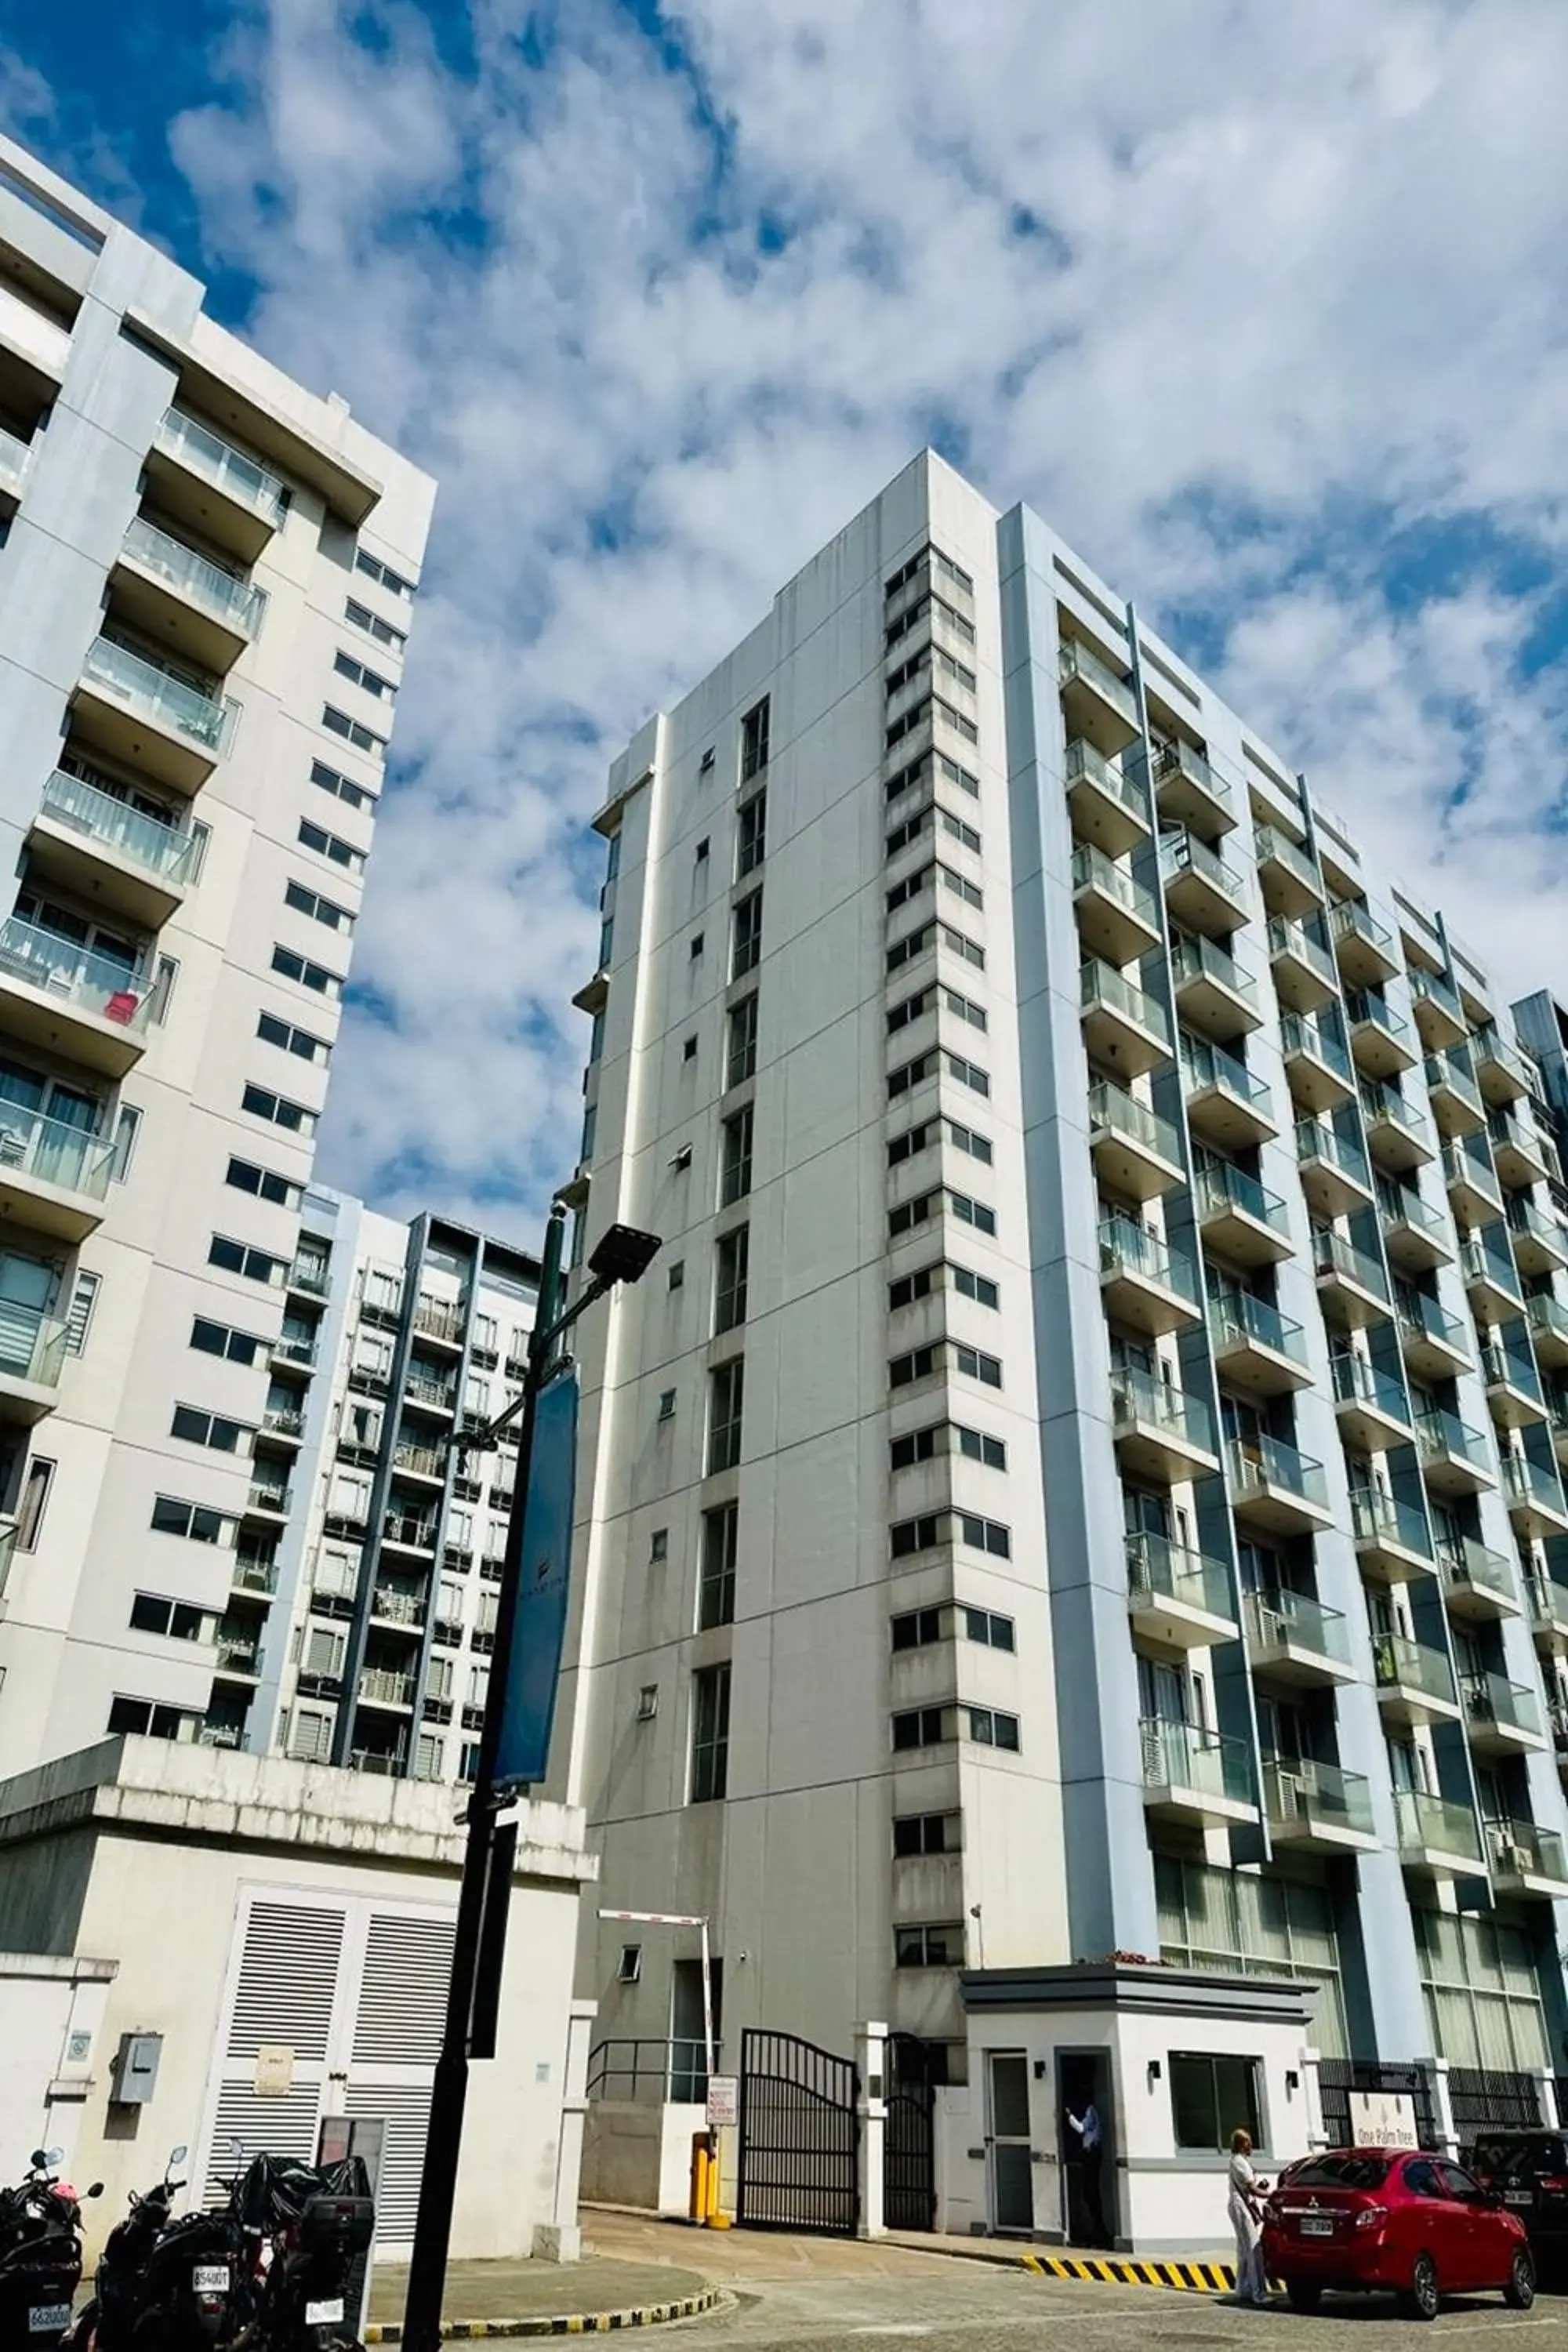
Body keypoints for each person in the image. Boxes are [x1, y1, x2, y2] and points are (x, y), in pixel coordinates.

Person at [1228, 2127, 1270, 2307]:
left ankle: (1242, 2289)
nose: (1250, 2145)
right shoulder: (1239, 2162)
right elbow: (1251, 2188)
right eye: (1247, 2142)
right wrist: (1269, 2195)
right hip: (1240, 2207)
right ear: (1240, 2145)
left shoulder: (1242, 2161)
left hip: (1241, 2205)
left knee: (1244, 2250)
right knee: (1254, 2249)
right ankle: (1258, 2293)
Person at [1065, 2097, 1105, 2242]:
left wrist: (1069, 2115)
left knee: (1091, 2193)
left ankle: (1098, 2231)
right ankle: (1096, 2230)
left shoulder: (1090, 2110)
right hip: (1090, 2152)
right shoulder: (1092, 2110)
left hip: (1092, 2153)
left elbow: (1080, 2128)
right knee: (1090, 2193)